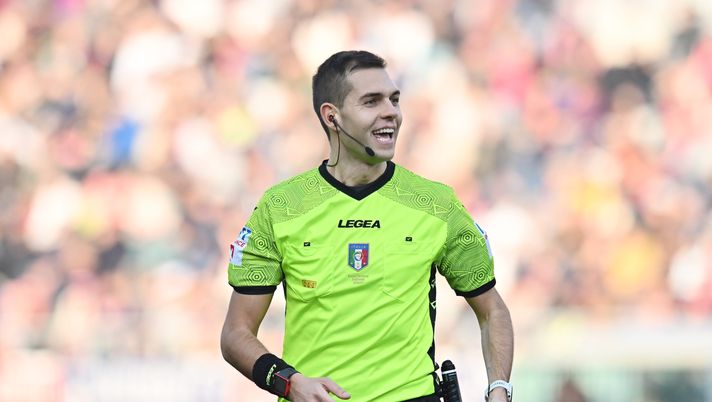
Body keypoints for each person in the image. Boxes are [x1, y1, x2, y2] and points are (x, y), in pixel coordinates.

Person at [220, 50, 514, 402]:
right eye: (371, 102)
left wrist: (500, 389)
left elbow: (492, 310)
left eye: (394, 99)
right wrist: (289, 382)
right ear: (333, 117)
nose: (390, 111)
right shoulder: (280, 208)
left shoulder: (436, 204)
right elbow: (236, 333)